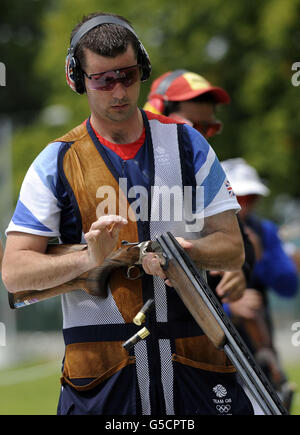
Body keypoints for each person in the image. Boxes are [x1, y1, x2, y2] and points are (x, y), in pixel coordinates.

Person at [1, 12, 253, 415]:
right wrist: (89, 259)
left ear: (143, 70)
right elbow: (14, 272)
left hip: (194, 366)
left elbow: (231, 248)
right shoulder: (57, 160)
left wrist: (180, 251)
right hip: (102, 380)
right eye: (102, 80)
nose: (118, 91)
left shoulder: (187, 143)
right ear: (77, 78)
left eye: (128, 75)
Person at [144, 70, 255, 306]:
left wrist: (238, 269)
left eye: (209, 129)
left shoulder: (204, 170)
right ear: (157, 113)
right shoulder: (127, 169)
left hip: (194, 325)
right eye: (192, 127)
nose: (200, 138)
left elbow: (239, 239)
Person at [221, 157, 298, 411]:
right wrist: (231, 308)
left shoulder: (264, 231)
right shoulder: (201, 234)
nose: (244, 206)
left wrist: (257, 257)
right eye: (238, 197)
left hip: (260, 348)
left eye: (250, 198)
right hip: (213, 351)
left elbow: (287, 286)